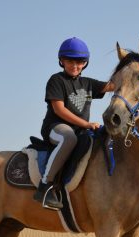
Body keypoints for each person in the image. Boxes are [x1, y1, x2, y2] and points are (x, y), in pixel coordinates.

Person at [34, 37, 115, 210]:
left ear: (85, 63)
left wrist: (129, 71)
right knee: (69, 138)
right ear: (61, 61)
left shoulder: (87, 83)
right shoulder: (56, 80)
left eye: (80, 62)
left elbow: (112, 86)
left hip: (80, 131)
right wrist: (86, 124)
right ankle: (45, 186)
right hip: (56, 128)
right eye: (70, 61)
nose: (75, 65)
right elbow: (59, 110)